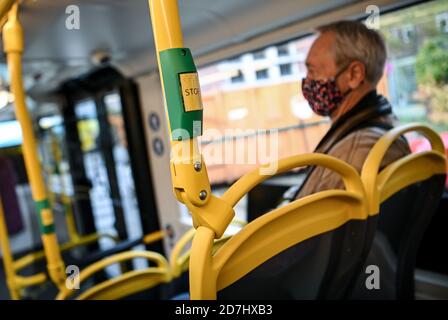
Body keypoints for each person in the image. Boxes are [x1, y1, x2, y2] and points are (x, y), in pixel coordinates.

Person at [291, 20, 410, 200]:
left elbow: (308, 225)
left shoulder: (353, 154)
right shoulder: (375, 125)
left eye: (313, 71)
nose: (307, 82)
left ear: (354, 75)